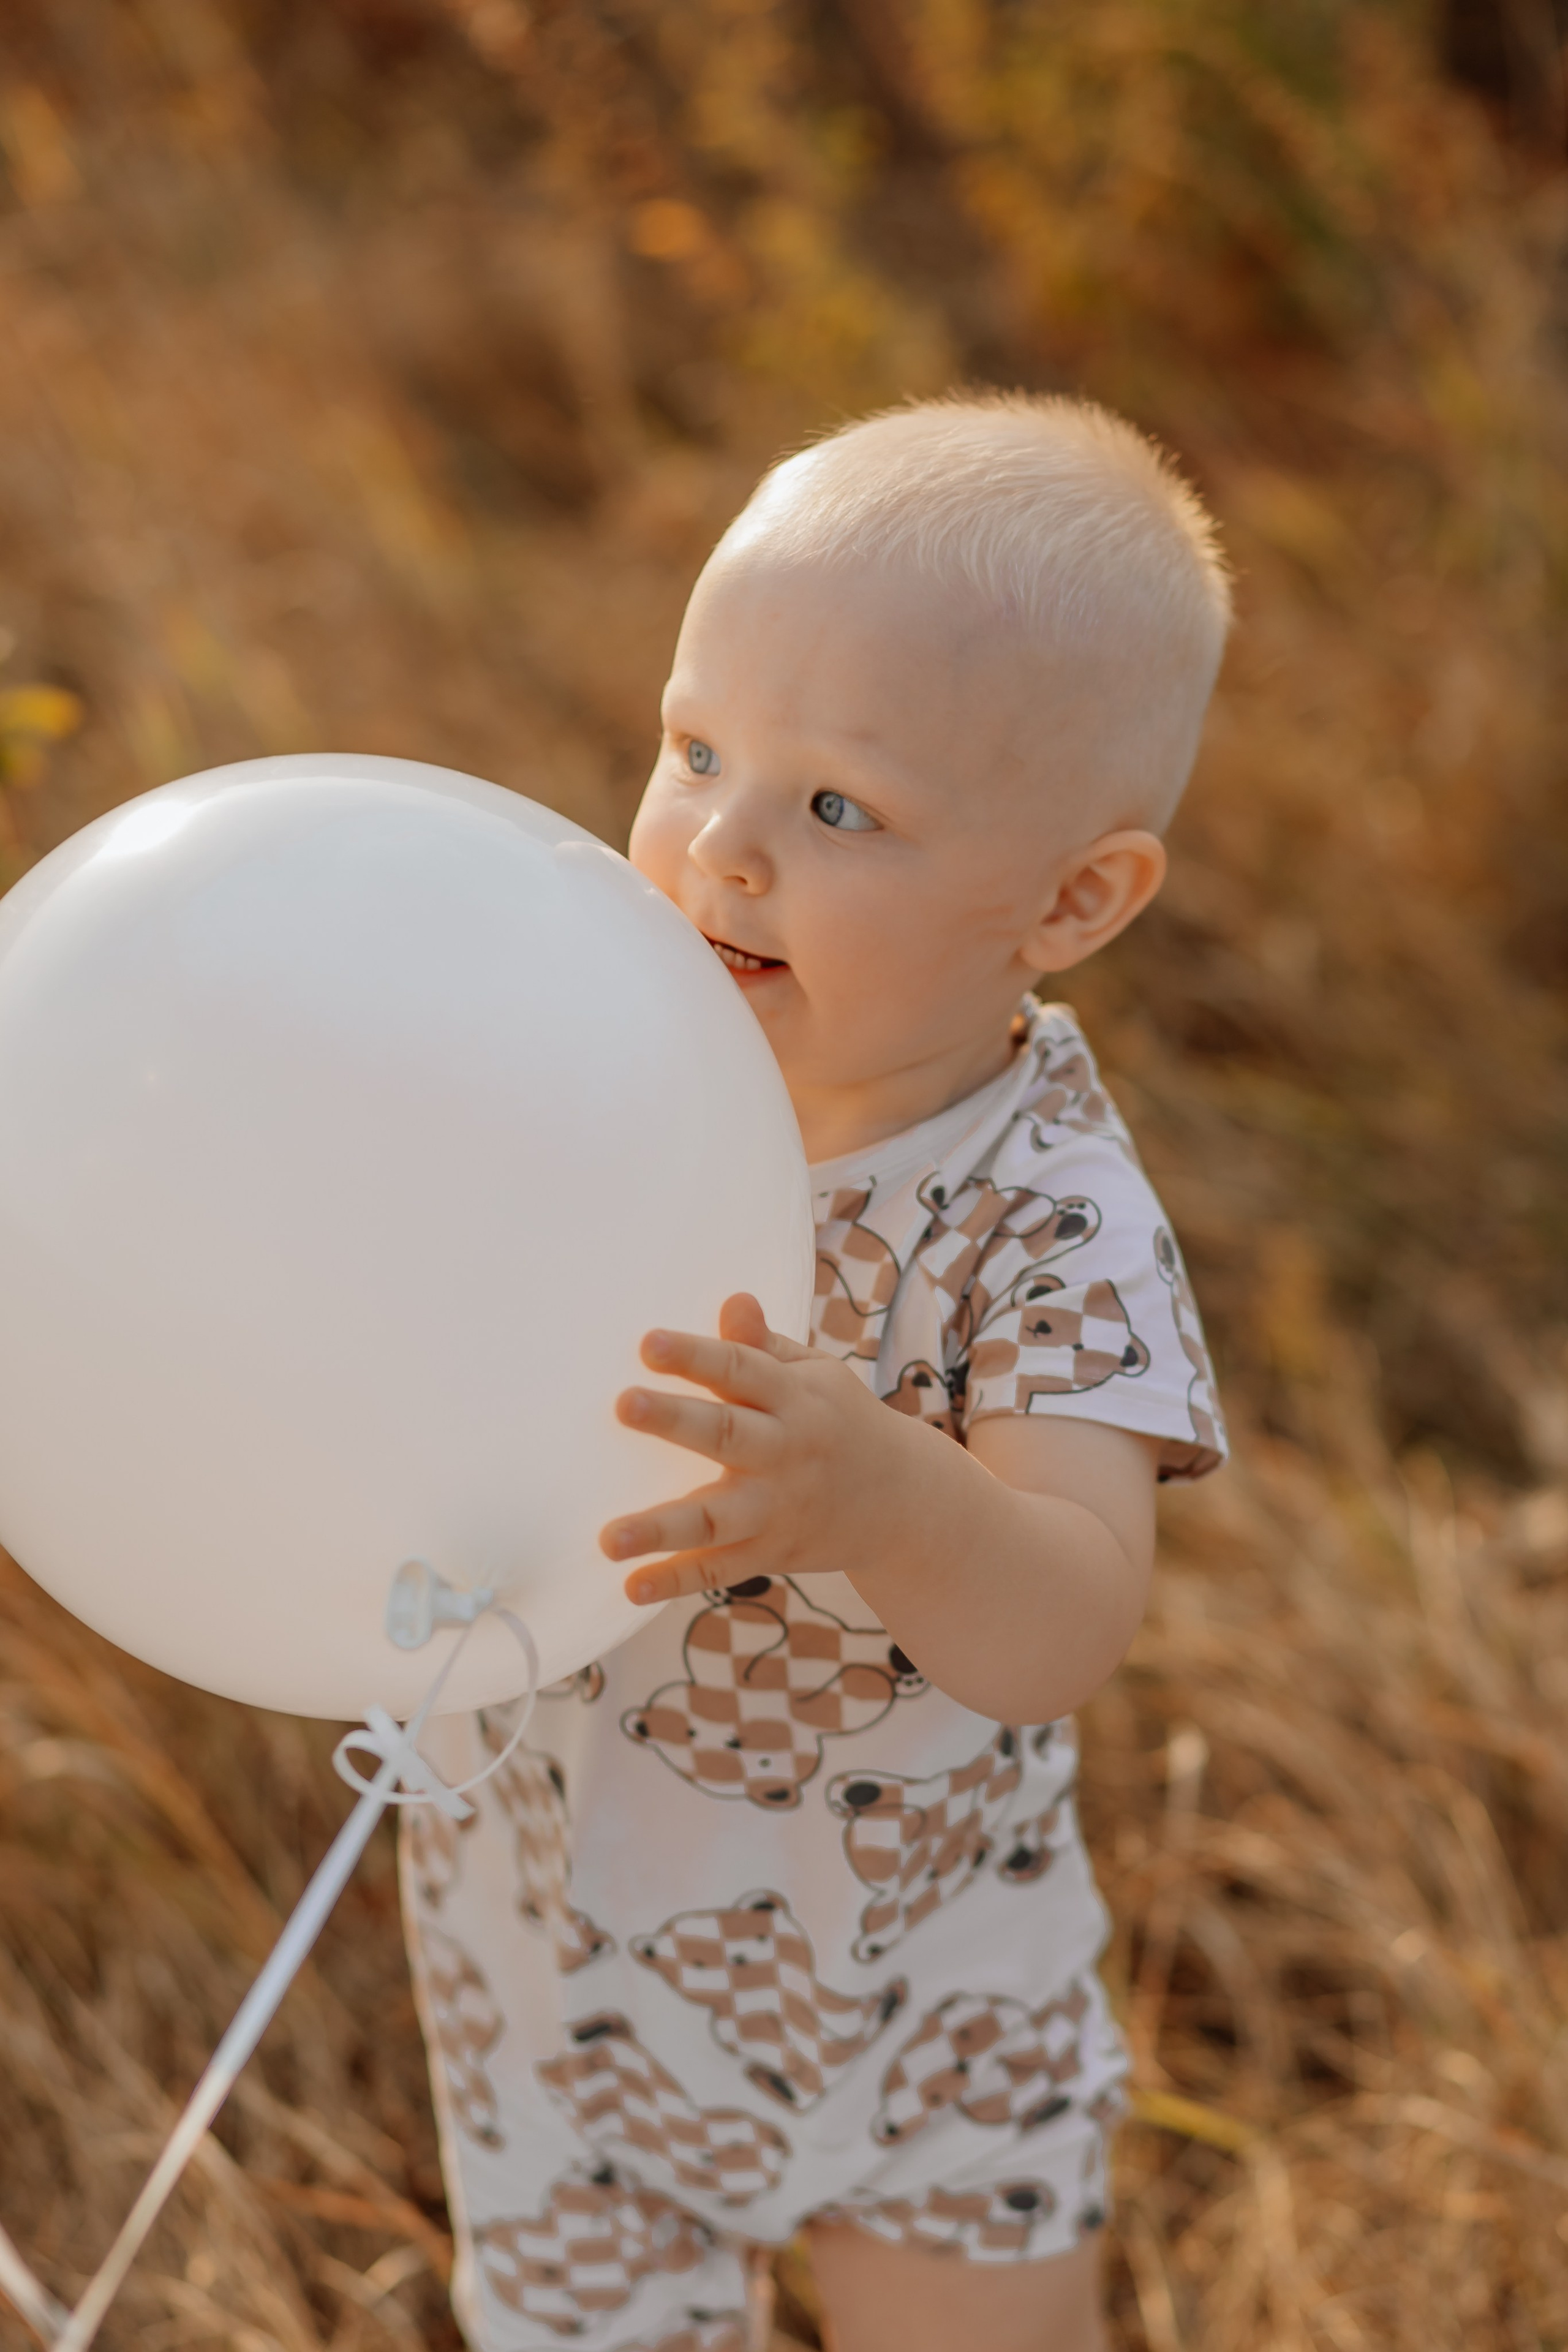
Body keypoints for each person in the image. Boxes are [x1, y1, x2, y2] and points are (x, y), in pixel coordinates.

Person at [404, 391, 1230, 2352]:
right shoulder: (583, 1068)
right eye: (694, 750)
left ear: (1071, 903)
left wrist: (887, 1494)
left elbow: (1066, 1618)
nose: (719, 848)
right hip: (560, 1988)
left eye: (836, 807)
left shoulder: (1046, 1213)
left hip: (927, 1998)